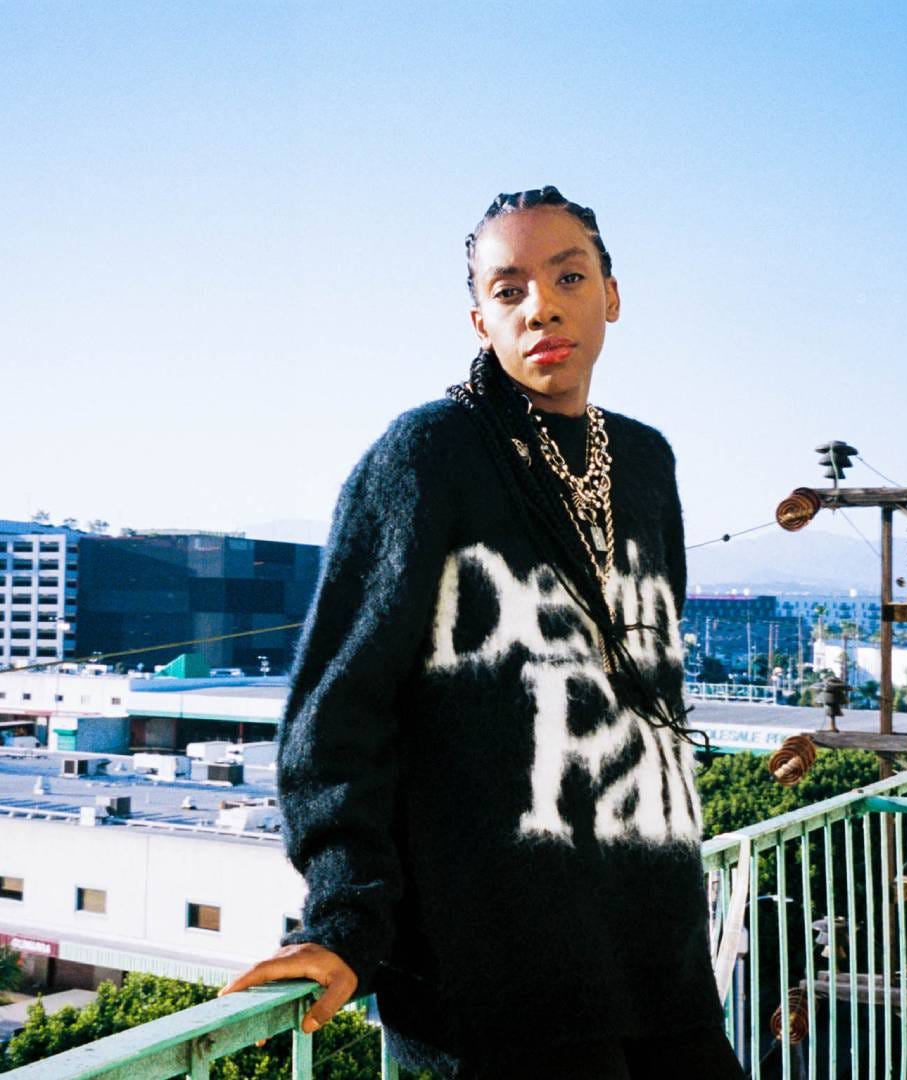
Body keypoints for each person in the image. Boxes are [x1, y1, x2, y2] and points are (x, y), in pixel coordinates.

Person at [221, 187, 743, 1078]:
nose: (541, 306)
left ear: (612, 295)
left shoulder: (646, 463)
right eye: (509, 290)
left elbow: (653, 672)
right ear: (480, 320)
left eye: (568, 277)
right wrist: (343, 922)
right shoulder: (427, 457)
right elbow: (339, 712)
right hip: (501, 977)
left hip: (660, 954)